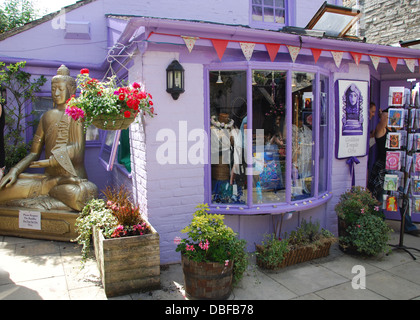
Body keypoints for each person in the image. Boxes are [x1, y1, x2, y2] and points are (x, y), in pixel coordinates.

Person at [0, 65, 97, 211]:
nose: (56, 93)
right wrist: (14, 170)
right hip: (47, 181)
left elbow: (77, 151)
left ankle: (47, 199)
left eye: (61, 89)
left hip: (72, 180)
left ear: (70, 91)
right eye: (53, 89)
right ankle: (50, 197)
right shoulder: (46, 117)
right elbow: (34, 153)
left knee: (81, 194)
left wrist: (50, 161)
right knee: (4, 189)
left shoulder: (76, 114)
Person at [367, 108, 420, 236]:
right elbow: (384, 120)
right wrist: (385, 114)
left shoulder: (395, 131)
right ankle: (378, 224)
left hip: (396, 170)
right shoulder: (381, 130)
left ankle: (408, 225)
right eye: (392, 115)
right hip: (383, 169)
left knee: (403, 197)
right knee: (380, 197)